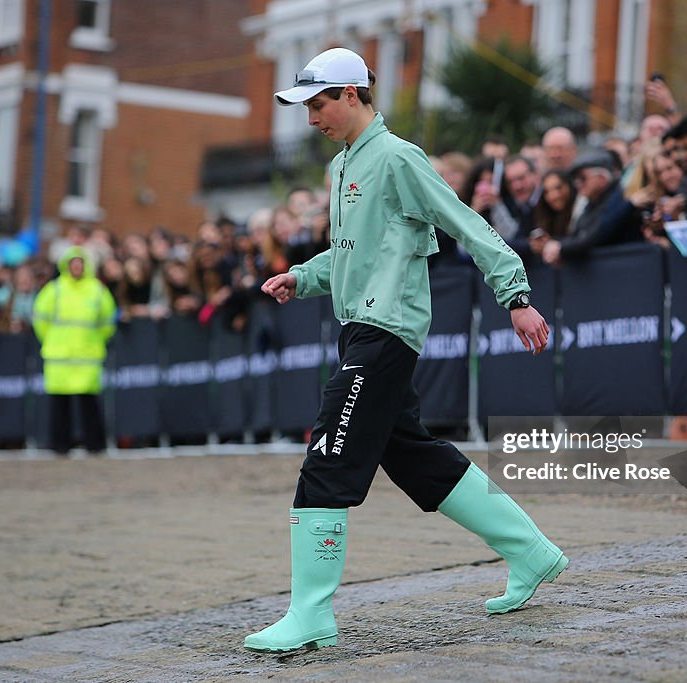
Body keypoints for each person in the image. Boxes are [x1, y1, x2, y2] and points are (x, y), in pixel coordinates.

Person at [248, 47, 564, 654]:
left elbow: (467, 222)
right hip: (359, 328)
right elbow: (351, 252)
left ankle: (311, 614)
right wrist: (303, 277)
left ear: (351, 94)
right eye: (305, 107)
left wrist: (516, 295)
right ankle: (533, 553)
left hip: (386, 332)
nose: (311, 118)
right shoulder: (342, 166)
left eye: (318, 105)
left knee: (328, 455)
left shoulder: (397, 158)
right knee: (418, 459)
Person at [32, 246, 116, 455]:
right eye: (73, 263)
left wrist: (95, 340)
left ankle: (95, 444)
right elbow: (40, 320)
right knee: (59, 404)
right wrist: (53, 340)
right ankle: (60, 445)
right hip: (59, 356)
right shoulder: (55, 289)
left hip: (87, 355)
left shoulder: (97, 290)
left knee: (89, 404)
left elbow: (108, 321)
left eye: (80, 263)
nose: (77, 267)